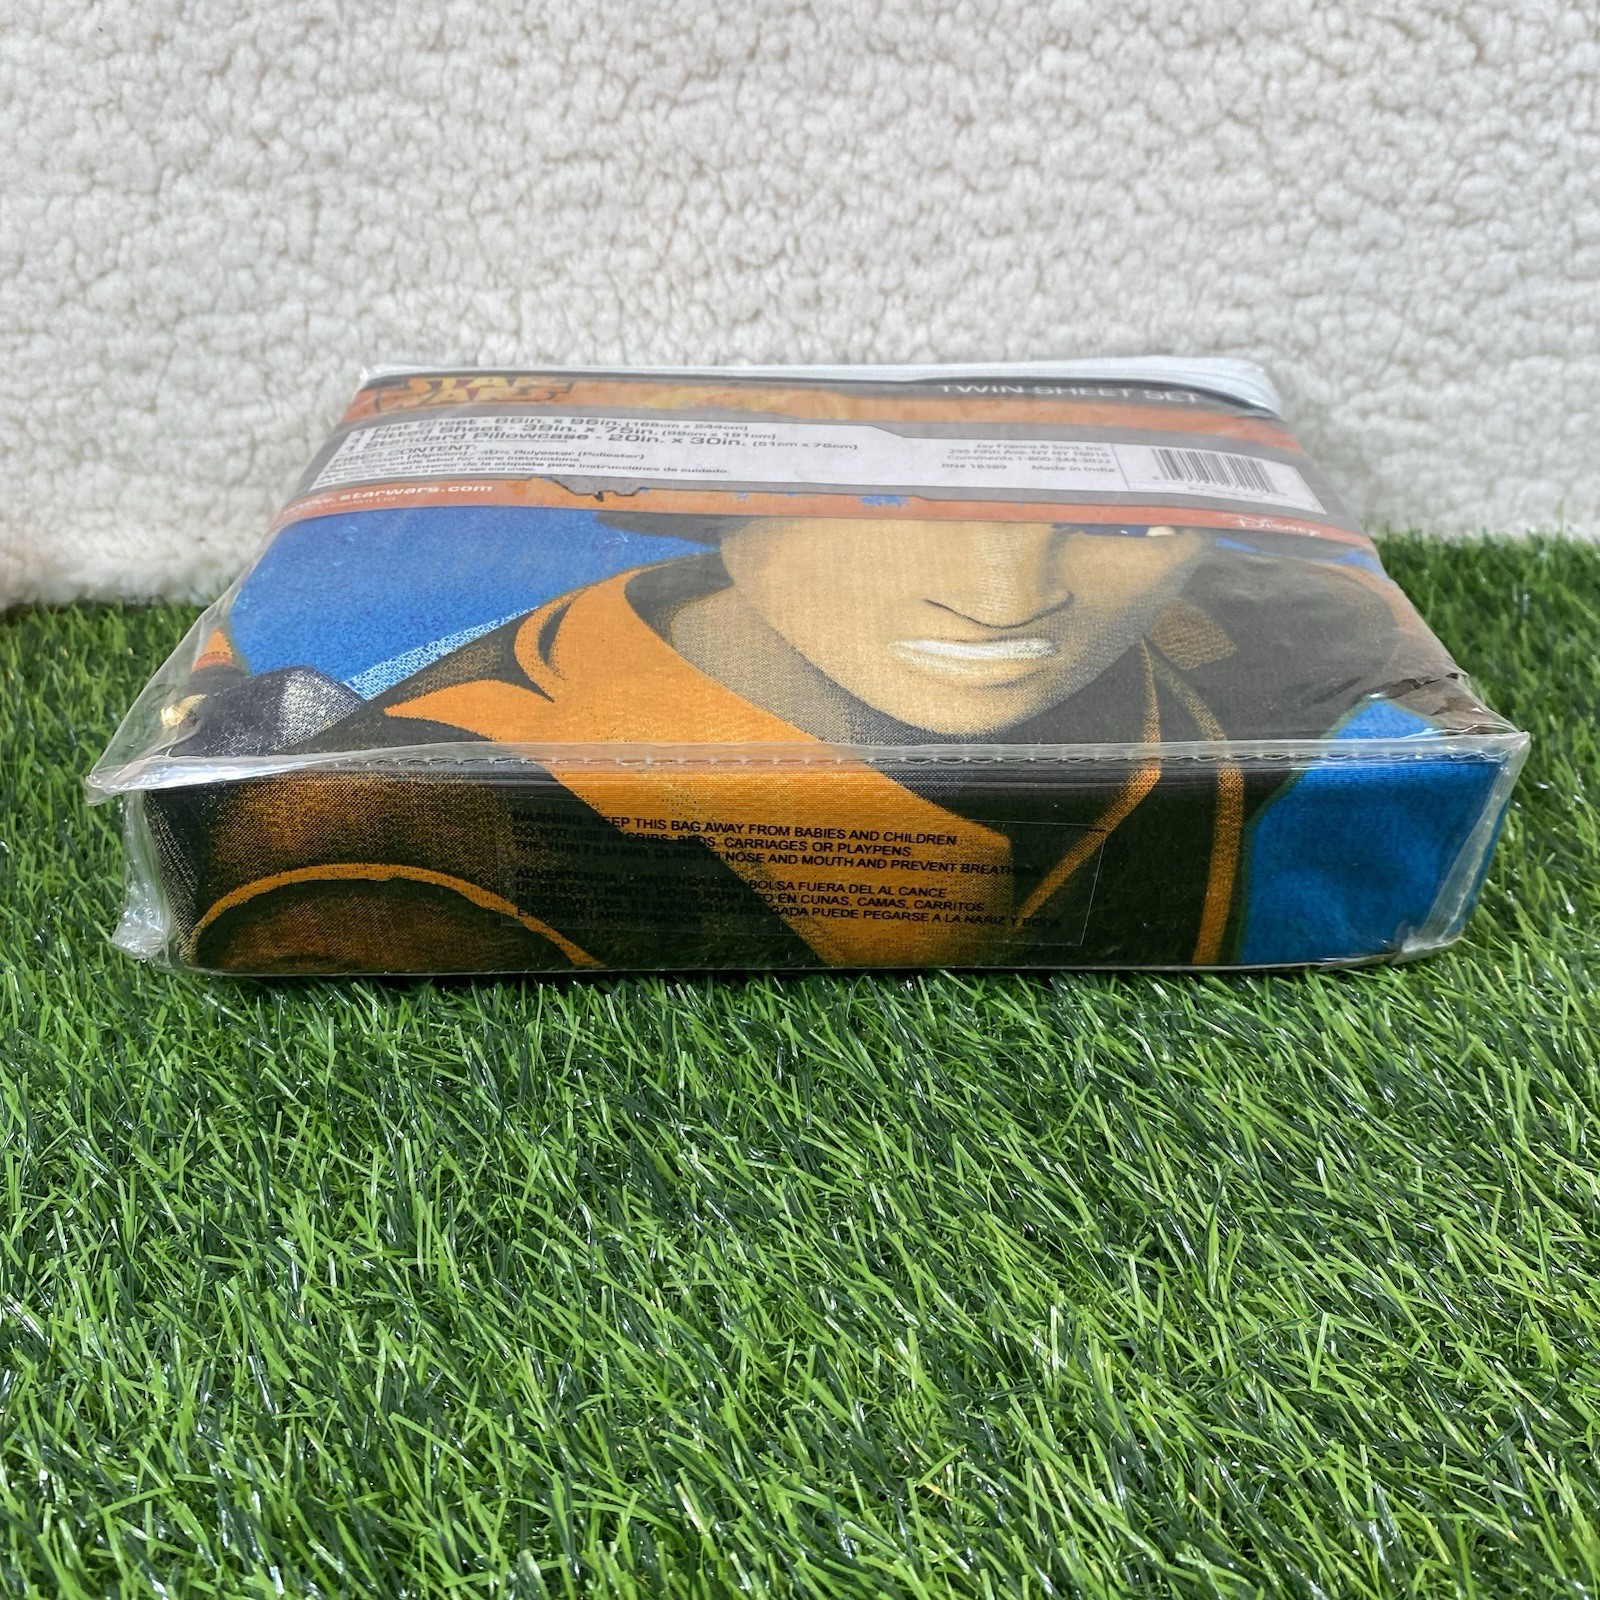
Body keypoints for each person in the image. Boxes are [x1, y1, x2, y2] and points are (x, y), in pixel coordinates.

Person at [153, 514, 1482, 972]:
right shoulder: (400, 838)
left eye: (1116, 525)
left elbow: (1352, 629)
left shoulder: (1206, 634)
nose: (1006, 595)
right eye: (888, 507)